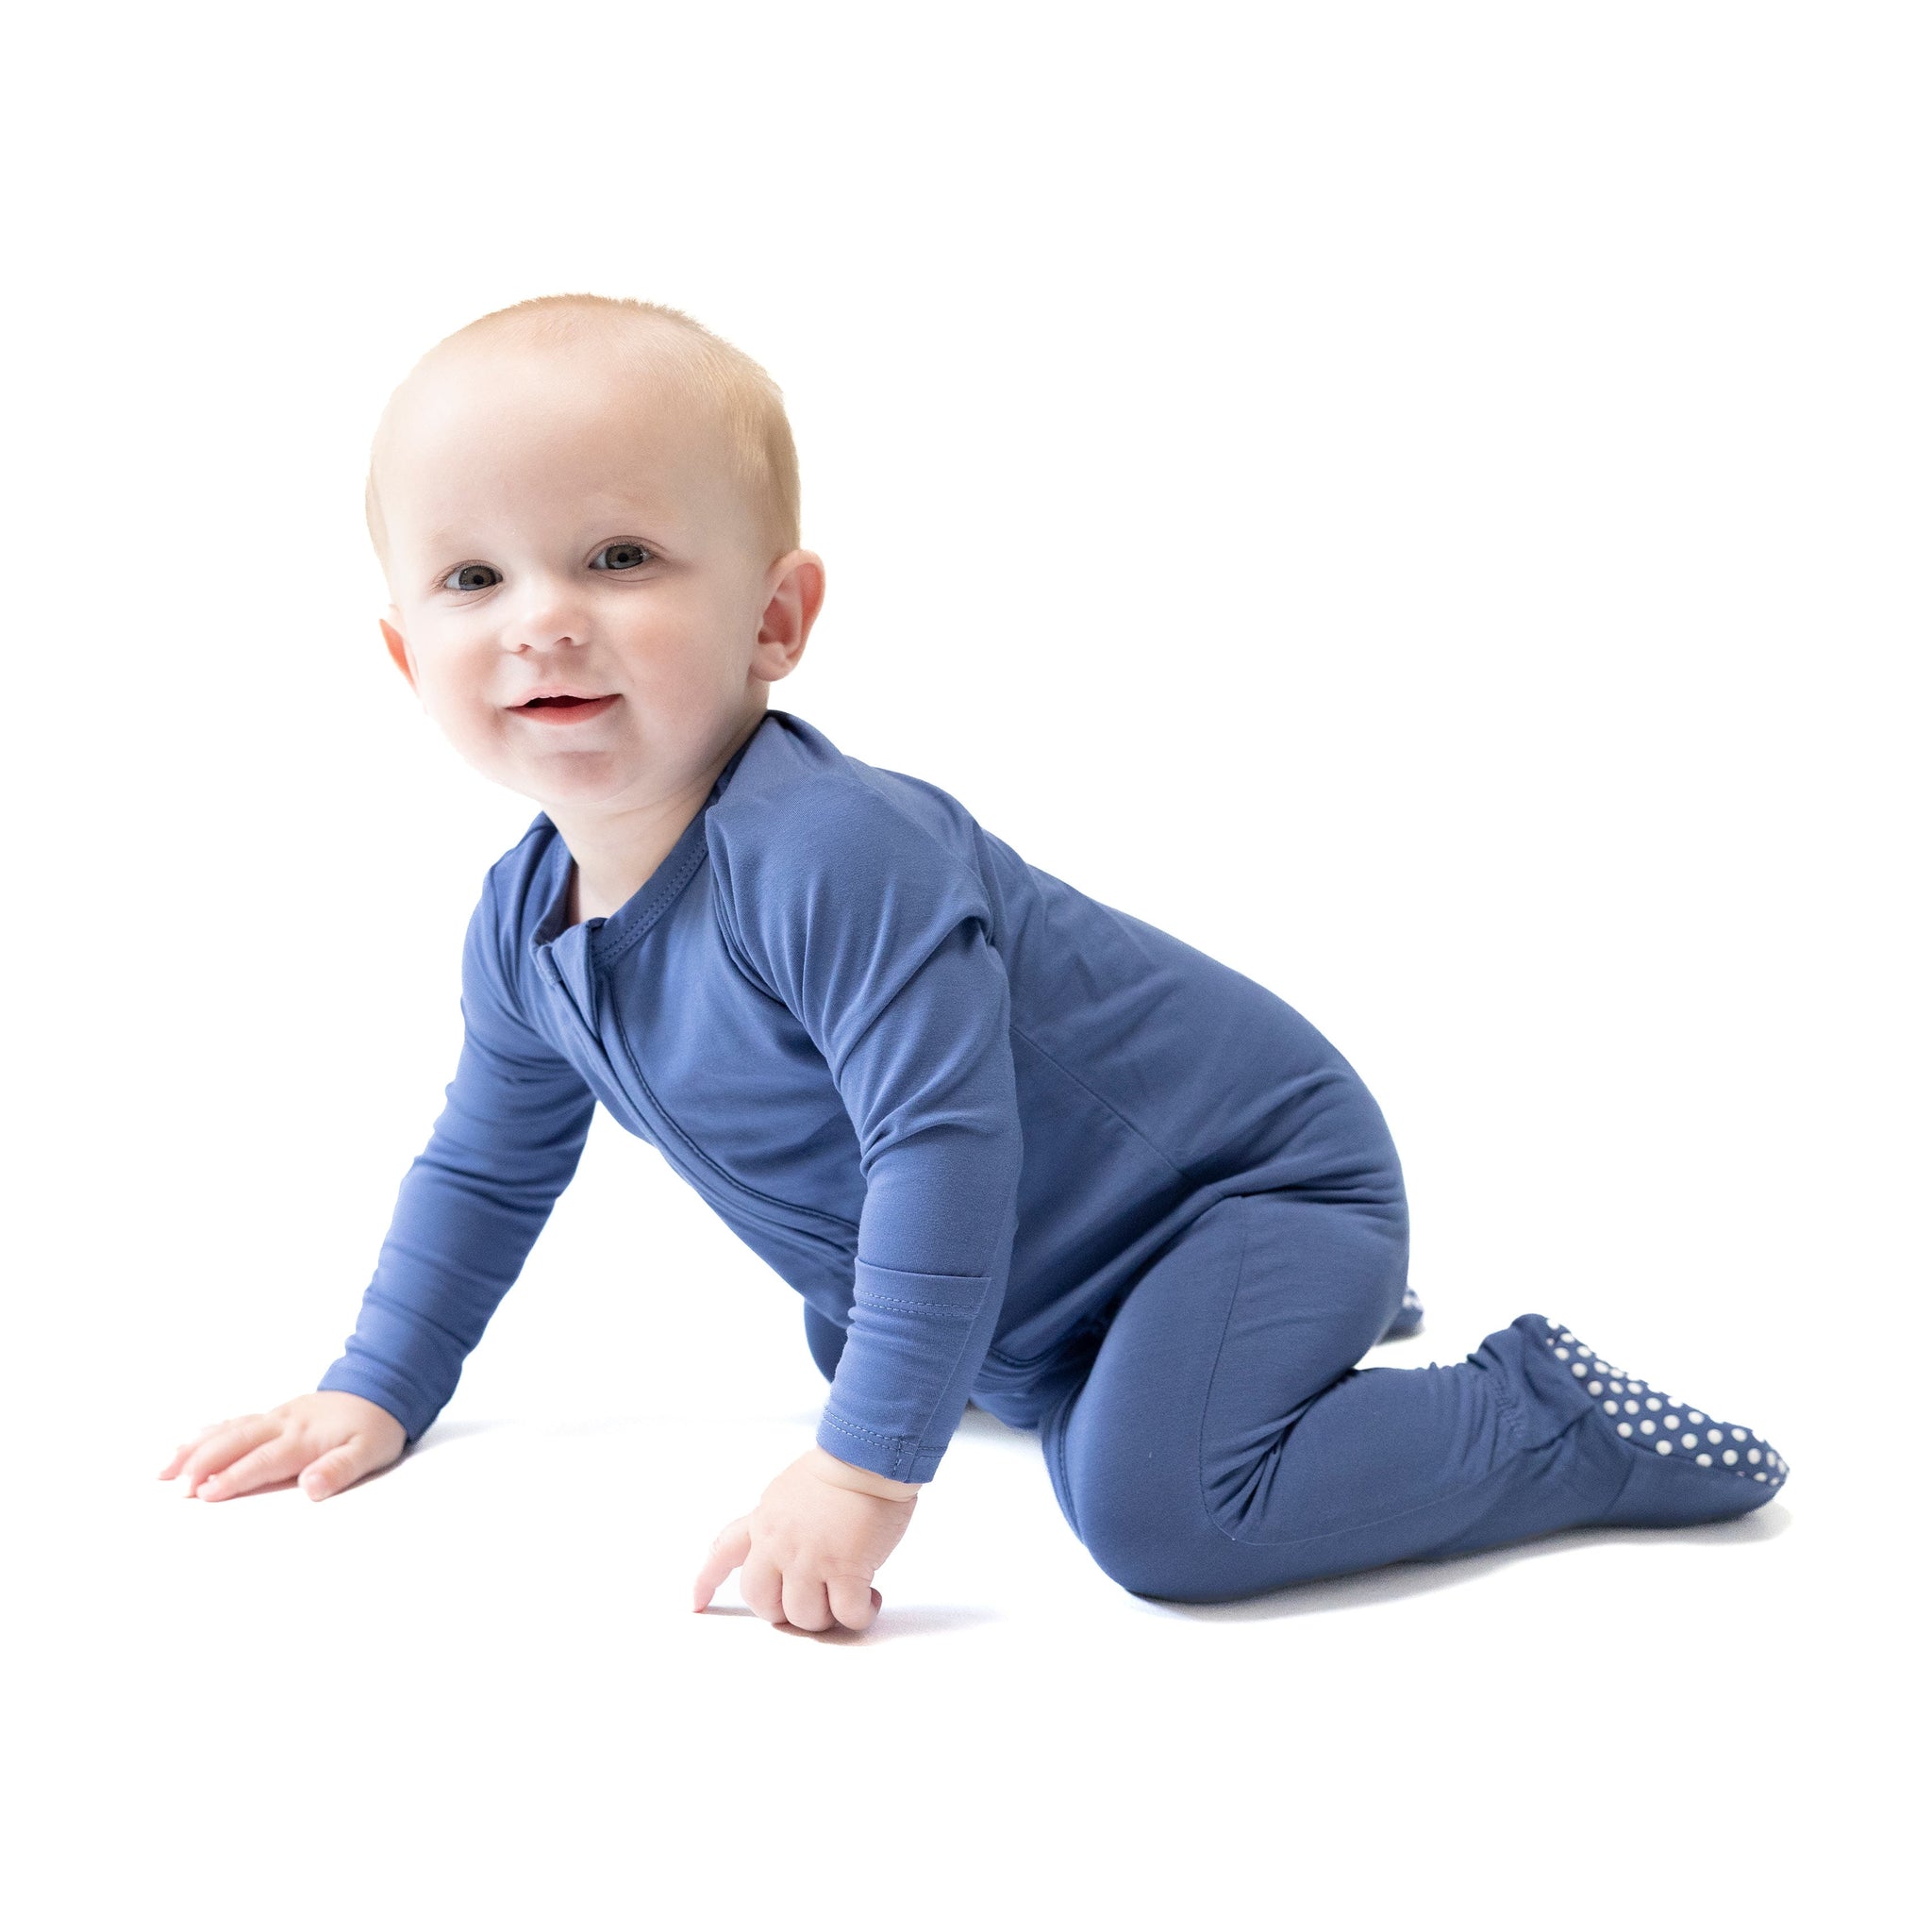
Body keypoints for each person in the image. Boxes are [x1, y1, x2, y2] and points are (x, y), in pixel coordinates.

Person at [157, 294, 1789, 1629]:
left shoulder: (829, 851)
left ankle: (1540, 1419)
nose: (541, 619)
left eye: (619, 558)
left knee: (1163, 1512)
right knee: (870, 1328)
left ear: (776, 620)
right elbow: (485, 1166)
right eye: (472, 578)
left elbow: (941, 1149)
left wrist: (863, 1473)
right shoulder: (524, 930)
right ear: (406, 654)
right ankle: (1184, 1360)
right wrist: (377, 1386)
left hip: (1245, 1196)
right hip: (1049, 1277)